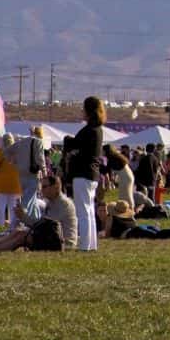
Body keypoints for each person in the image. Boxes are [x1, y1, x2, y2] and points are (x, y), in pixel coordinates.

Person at [0, 175, 74, 253]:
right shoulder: (52, 202)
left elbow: (45, 228)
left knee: (21, 236)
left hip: (62, 243)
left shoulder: (63, 204)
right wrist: (24, 218)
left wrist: (24, 217)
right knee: (19, 231)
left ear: (56, 187)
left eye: (44, 187)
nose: (41, 190)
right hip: (52, 239)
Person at [66, 97, 106, 252]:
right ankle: (91, 244)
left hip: (83, 174)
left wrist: (68, 141)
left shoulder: (88, 130)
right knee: (89, 211)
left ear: (88, 111)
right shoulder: (98, 130)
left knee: (83, 211)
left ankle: (84, 246)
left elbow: (75, 145)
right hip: (92, 174)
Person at [0, 135, 23, 226]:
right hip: (16, 185)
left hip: (1, 185)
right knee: (14, 208)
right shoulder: (19, 153)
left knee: (0, 208)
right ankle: (13, 226)